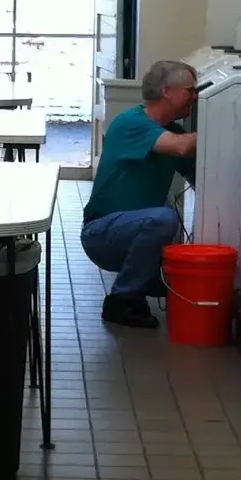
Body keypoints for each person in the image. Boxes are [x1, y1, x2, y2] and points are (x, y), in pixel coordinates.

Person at [81, 59, 198, 328]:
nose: (195, 97)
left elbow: (197, 174)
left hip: (128, 231)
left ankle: (138, 291)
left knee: (178, 283)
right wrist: (223, 128)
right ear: (167, 91)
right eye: (190, 90)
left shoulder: (173, 131)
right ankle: (122, 300)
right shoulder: (130, 123)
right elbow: (180, 147)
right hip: (101, 234)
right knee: (164, 219)